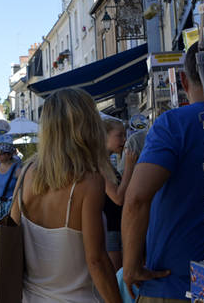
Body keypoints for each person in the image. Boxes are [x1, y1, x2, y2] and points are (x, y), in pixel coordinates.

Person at [121, 41, 204, 301]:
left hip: (174, 283)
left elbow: (137, 198)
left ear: (183, 81)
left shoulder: (173, 125)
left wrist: (130, 266)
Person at [10, 88, 121, 303]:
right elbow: (96, 260)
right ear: (87, 126)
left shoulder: (27, 173)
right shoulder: (89, 182)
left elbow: (11, 234)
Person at [101, 115, 128, 271]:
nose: (124, 140)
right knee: (117, 275)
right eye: (119, 136)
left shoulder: (105, 163)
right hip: (110, 229)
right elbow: (118, 198)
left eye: (124, 135)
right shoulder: (99, 164)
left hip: (116, 226)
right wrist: (129, 168)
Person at [0, 141, 21, 220]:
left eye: (1, 154)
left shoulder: (17, 170)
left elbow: (23, 186)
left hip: (9, 209)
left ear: (9, 155)